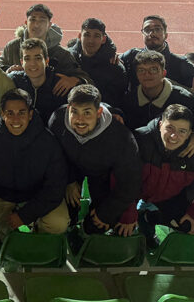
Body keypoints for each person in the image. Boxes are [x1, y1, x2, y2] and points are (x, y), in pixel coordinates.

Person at [127, 104, 194, 246]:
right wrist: (127, 214)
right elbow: (121, 180)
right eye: (170, 128)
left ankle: (147, 218)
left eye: (182, 131)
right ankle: (141, 227)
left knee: (186, 225)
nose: (174, 136)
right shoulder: (139, 140)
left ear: (189, 133)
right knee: (119, 224)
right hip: (132, 195)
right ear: (160, 125)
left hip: (169, 197)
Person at [48, 84, 141, 236]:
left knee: (99, 224)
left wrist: (105, 213)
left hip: (102, 175)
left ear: (99, 112)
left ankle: (86, 233)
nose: (80, 120)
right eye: (75, 112)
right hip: (69, 169)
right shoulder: (57, 120)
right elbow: (54, 155)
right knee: (65, 215)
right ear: (68, 109)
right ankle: (71, 225)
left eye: (87, 113)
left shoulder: (121, 137)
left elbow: (130, 181)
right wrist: (69, 181)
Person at [0, 89, 70, 235]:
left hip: (38, 194)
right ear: (2, 114)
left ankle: (38, 236)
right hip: (2, 194)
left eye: (21, 113)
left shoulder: (48, 142)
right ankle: (3, 236)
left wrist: (24, 215)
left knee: (58, 223)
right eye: (10, 113)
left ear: (30, 114)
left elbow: (55, 188)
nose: (16, 119)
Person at [119, 51, 194, 154]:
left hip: (177, 158)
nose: (147, 74)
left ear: (164, 73)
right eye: (141, 70)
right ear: (136, 74)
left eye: (153, 69)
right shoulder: (129, 99)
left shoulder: (185, 99)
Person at [0, 4, 90, 96]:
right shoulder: (12, 47)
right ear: (26, 23)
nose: (37, 24)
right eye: (32, 19)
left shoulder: (61, 54)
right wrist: (7, 72)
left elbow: (86, 80)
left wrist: (75, 80)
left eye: (42, 20)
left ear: (49, 25)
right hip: (18, 103)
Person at [120, 15, 194, 91]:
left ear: (166, 35)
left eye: (157, 29)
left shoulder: (180, 64)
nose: (152, 33)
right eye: (147, 30)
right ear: (142, 34)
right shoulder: (131, 56)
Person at [66, 18, 128, 106]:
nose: (91, 41)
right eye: (87, 35)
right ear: (79, 36)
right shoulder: (68, 59)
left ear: (103, 39)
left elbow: (116, 100)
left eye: (97, 36)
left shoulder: (115, 67)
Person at [9, 38, 72, 122]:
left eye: (38, 58)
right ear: (22, 62)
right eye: (27, 59)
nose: (32, 63)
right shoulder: (14, 80)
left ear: (46, 61)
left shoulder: (61, 85)